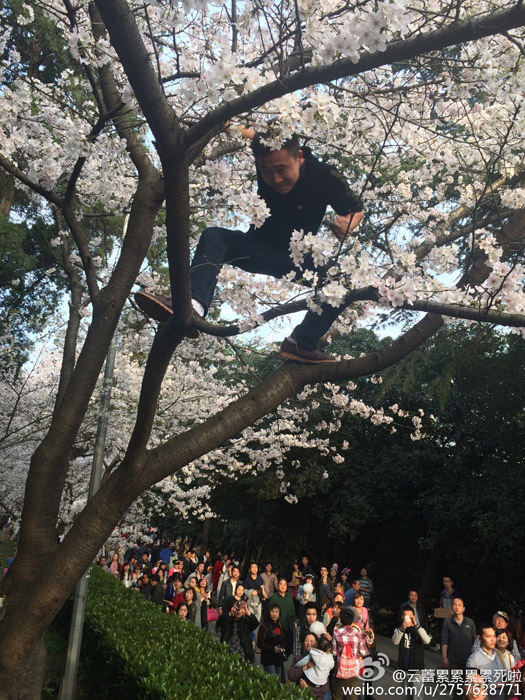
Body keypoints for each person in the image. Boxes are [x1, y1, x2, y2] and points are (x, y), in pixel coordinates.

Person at [135, 131, 364, 364]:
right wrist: (226, 125)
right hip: (256, 248)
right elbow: (250, 134)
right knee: (214, 236)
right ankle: (192, 307)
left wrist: (349, 222)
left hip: (297, 260)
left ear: (300, 157)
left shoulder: (325, 176)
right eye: (266, 170)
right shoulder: (266, 151)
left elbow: (357, 209)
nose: (275, 179)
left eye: (282, 170)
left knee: (342, 281)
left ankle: (300, 343)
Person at [331, 607, 369, 700]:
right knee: (352, 697)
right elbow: (364, 652)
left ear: (341, 619)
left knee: (337, 696)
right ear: (353, 620)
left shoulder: (336, 633)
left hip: (340, 671)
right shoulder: (358, 634)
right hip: (353, 672)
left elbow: (334, 652)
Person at [393, 605, 432, 694]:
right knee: (406, 695)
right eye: (405, 616)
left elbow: (427, 640)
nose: (407, 618)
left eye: (410, 616)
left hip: (417, 668)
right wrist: (402, 628)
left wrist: (417, 626)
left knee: (417, 695)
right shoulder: (399, 629)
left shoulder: (419, 629)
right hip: (403, 667)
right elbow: (395, 641)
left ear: (413, 617)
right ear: (402, 617)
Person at [288, 632, 331, 699]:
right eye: (306, 640)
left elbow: (324, 689)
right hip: (302, 696)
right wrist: (304, 667)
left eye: (311, 641)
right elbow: (291, 676)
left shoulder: (322, 660)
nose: (308, 643)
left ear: (316, 643)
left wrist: (307, 689)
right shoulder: (299, 658)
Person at [466, 624, 504, 698]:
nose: (492, 640)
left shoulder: (498, 654)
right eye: (488, 637)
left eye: (494, 636)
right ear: (480, 638)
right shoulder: (473, 659)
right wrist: (494, 685)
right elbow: (470, 687)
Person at [441, 597, 477, 673]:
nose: (456, 607)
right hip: (453, 660)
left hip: (468, 660)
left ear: (463, 608)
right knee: (455, 683)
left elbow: (475, 641)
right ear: (452, 607)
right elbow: (444, 641)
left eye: (459, 605)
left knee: (467, 683)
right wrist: (444, 658)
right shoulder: (447, 622)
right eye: (454, 605)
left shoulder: (470, 622)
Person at [220, 598, 259, 663]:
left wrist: (247, 612)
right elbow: (220, 623)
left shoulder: (246, 621)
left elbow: (256, 624)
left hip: (243, 653)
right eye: (237, 608)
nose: (238, 611)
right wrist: (230, 613)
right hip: (229, 652)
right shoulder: (229, 620)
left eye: (241, 609)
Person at [257, 603, 287, 682]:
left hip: (278, 658)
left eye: (277, 612)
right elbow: (260, 644)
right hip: (268, 659)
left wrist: (283, 647)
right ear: (268, 612)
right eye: (272, 611)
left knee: (279, 680)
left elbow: (283, 638)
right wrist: (272, 649)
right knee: (272, 681)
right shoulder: (264, 626)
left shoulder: (280, 624)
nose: (274, 614)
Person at [269, 578, 297, 655]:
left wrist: (294, 621)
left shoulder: (289, 597)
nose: (283, 586)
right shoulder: (273, 598)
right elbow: (269, 613)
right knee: (280, 648)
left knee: (289, 648)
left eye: (285, 584)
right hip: (278, 626)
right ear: (278, 586)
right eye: (281, 584)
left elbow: (292, 609)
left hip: (289, 625)